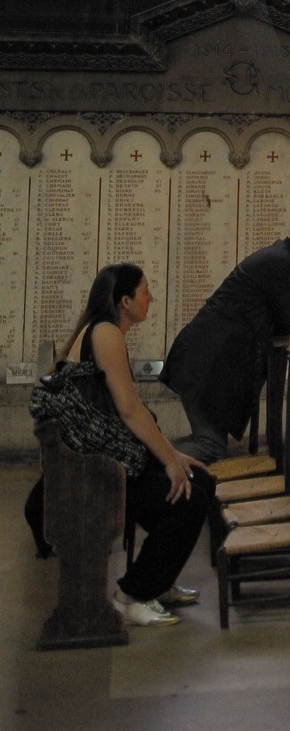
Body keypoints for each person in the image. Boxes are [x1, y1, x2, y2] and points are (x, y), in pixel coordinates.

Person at [35, 263, 215, 627]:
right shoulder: (106, 334)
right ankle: (131, 596)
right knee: (189, 500)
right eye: (145, 291)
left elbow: (127, 413)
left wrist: (172, 454)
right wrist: (169, 462)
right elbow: (129, 410)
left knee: (200, 481)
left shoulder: (101, 329)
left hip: (102, 460)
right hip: (95, 473)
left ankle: (158, 581)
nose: (151, 298)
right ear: (125, 301)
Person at [163, 211, 290, 463]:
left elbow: (285, 316)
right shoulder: (281, 263)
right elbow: (288, 321)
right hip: (205, 364)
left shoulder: (285, 260)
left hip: (209, 363)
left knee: (211, 443)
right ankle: (152, 456)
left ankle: (154, 453)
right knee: (211, 446)